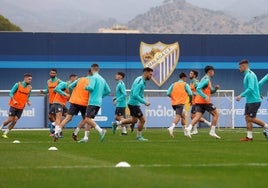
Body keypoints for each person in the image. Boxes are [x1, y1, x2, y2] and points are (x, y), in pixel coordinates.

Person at [185, 65, 221, 139]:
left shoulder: (206, 79)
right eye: (213, 71)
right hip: (204, 101)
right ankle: (212, 132)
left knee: (197, 116)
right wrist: (205, 96)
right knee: (216, 114)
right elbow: (198, 88)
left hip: (198, 101)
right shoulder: (206, 79)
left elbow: (211, 91)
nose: (213, 73)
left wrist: (215, 89)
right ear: (210, 71)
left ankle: (188, 128)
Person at [236, 60, 268, 141]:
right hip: (250, 100)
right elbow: (258, 85)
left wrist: (241, 95)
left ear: (244, 66)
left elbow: (250, 88)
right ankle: (249, 137)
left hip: (254, 101)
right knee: (247, 118)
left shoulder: (250, 75)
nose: (239, 69)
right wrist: (259, 93)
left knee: (250, 118)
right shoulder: (247, 74)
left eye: (240, 67)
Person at [119, 67, 153, 141]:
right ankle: (139, 136)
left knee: (134, 120)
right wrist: (144, 102)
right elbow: (135, 94)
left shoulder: (140, 79)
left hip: (133, 103)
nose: (151, 76)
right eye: (150, 74)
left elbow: (139, 94)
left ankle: (118, 123)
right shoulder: (140, 82)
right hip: (133, 104)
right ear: (146, 73)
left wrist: (142, 100)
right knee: (143, 120)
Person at [59, 69, 92, 142]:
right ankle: (77, 134)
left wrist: (71, 95)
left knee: (68, 118)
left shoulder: (80, 79)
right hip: (84, 102)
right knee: (87, 119)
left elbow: (70, 87)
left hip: (74, 101)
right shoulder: (92, 81)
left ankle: (57, 132)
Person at [83, 64, 111, 142]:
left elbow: (91, 88)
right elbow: (108, 91)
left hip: (92, 101)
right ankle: (86, 138)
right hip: (98, 102)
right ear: (98, 69)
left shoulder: (93, 77)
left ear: (92, 69)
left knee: (87, 119)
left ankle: (101, 130)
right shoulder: (102, 79)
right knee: (89, 119)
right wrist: (100, 96)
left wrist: (85, 87)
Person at [0, 73, 32, 138]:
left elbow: (28, 97)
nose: (30, 81)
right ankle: (1, 127)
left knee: (15, 120)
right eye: (29, 79)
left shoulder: (30, 88)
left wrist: (28, 101)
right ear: (25, 78)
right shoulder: (17, 85)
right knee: (10, 119)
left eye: (31, 79)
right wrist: (14, 100)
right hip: (14, 105)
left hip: (21, 107)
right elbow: (11, 93)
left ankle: (5, 133)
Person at [52, 74, 78, 141]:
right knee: (59, 117)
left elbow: (68, 98)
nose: (77, 81)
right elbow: (56, 89)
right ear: (72, 78)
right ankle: (56, 133)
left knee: (69, 117)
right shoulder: (64, 84)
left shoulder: (72, 88)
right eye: (76, 79)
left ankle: (54, 124)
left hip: (63, 105)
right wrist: (65, 94)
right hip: (57, 103)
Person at [167, 72, 192, 138]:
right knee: (178, 116)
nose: (186, 79)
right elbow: (190, 94)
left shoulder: (173, 84)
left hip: (174, 104)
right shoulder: (185, 84)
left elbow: (168, 93)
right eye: (185, 78)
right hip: (180, 103)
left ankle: (185, 132)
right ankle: (171, 128)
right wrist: (191, 100)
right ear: (184, 78)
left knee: (183, 116)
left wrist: (173, 97)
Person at [40, 69, 62, 136]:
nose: (52, 74)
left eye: (54, 73)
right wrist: (43, 92)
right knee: (51, 117)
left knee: (55, 117)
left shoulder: (59, 81)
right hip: (51, 102)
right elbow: (47, 90)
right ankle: (58, 130)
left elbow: (63, 88)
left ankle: (56, 131)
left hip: (57, 101)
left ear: (56, 74)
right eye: (51, 73)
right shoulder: (48, 81)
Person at [189, 70, 211, 135]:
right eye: (190, 73)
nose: (189, 74)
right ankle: (208, 123)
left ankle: (195, 130)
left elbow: (199, 91)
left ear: (194, 75)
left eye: (191, 73)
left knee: (194, 116)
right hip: (193, 101)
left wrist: (194, 94)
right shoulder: (191, 82)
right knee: (194, 116)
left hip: (197, 101)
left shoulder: (196, 82)